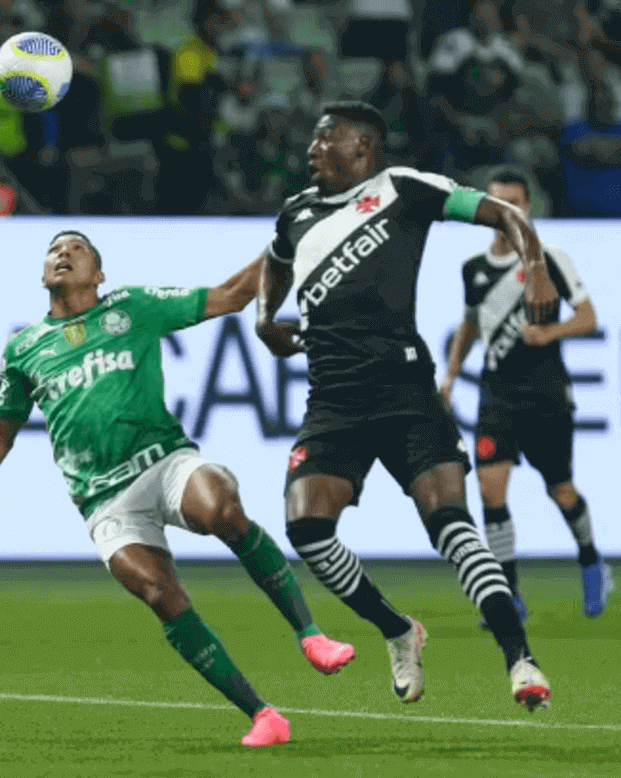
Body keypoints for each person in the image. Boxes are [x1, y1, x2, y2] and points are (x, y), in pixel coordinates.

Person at [0, 230, 358, 748]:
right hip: (104, 500)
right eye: (54, 251)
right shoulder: (24, 349)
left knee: (220, 508)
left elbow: (231, 295)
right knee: (159, 592)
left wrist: (291, 240)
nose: (62, 254)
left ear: (99, 275)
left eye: (76, 249)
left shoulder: (132, 306)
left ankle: (310, 635)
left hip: (163, 462)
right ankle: (263, 716)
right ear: (42, 273)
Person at [254, 100, 558, 711]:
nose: (312, 150)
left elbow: (501, 211)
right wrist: (264, 318)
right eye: (313, 141)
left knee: (450, 526)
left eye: (325, 139)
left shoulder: (405, 189)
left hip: (406, 390)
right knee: (306, 528)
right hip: (334, 398)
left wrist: (536, 267)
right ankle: (398, 629)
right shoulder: (298, 212)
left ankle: (520, 659)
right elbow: (275, 262)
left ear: (363, 147)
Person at [439, 168, 612, 621]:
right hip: (497, 396)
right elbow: (471, 323)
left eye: (513, 204)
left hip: (547, 395)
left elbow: (589, 316)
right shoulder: (473, 270)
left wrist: (550, 332)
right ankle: (509, 593)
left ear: (528, 207)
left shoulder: (548, 260)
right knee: (490, 488)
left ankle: (592, 560)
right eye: (497, 204)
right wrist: (451, 375)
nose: (504, 214)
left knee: (561, 489)